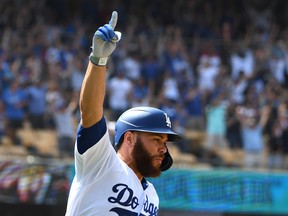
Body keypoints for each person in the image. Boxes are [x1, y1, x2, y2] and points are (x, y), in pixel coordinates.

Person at [65, 11, 181, 216]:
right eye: (156, 139)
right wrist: (99, 60)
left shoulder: (152, 195)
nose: (163, 148)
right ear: (129, 138)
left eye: (164, 142)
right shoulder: (101, 162)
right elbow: (90, 112)